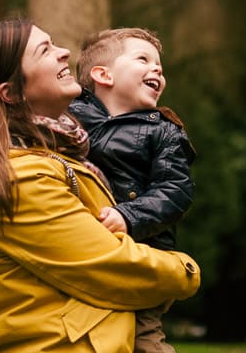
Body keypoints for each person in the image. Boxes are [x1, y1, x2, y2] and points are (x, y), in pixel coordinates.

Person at [0, 18, 200, 353]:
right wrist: (185, 270)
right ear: (11, 93)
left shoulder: (56, 147)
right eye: (45, 50)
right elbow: (109, 268)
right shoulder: (16, 178)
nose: (64, 53)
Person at [69, 28, 194, 353]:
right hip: (84, 252)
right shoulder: (69, 116)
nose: (158, 70)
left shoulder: (164, 131)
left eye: (160, 67)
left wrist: (129, 215)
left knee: (142, 340)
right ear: (102, 74)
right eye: (143, 59)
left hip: (141, 258)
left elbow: (175, 190)